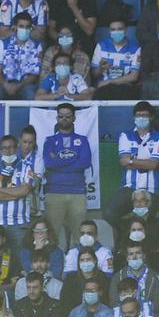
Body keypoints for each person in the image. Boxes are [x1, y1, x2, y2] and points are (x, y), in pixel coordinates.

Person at [41, 103, 92, 245]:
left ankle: (79, 266)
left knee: (81, 237)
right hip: (54, 192)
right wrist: (73, 160)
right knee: (51, 238)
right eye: (61, 116)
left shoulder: (82, 140)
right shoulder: (49, 141)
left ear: (74, 118)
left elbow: (85, 163)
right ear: (57, 118)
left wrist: (59, 161)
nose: (64, 119)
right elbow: (49, 163)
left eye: (68, 116)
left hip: (78, 193)